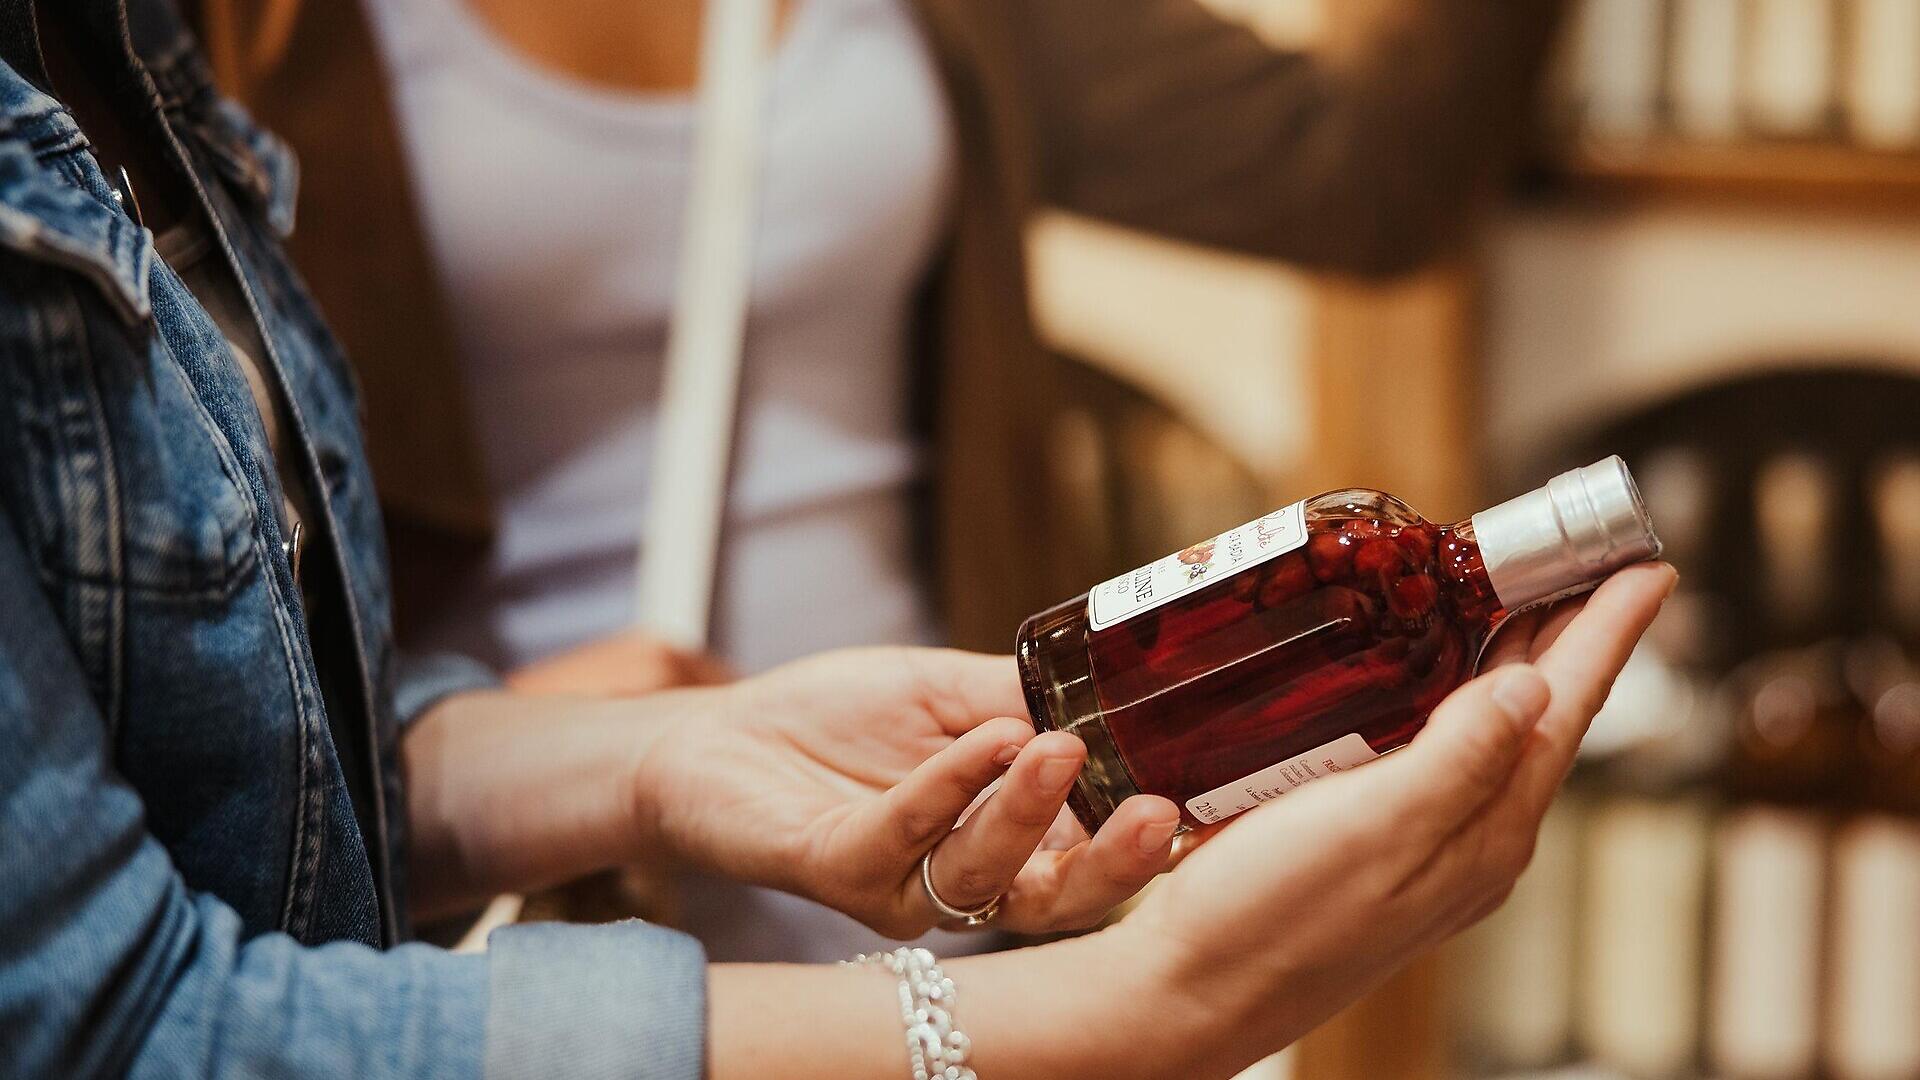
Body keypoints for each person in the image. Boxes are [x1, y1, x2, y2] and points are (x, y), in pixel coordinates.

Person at [0, 2, 1677, 1076]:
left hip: (920, 828)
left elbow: (1358, 173)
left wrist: (627, 755)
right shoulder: (237, 33)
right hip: (487, 957)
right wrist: (1136, 1014)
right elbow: (127, 995)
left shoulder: (116, 44)